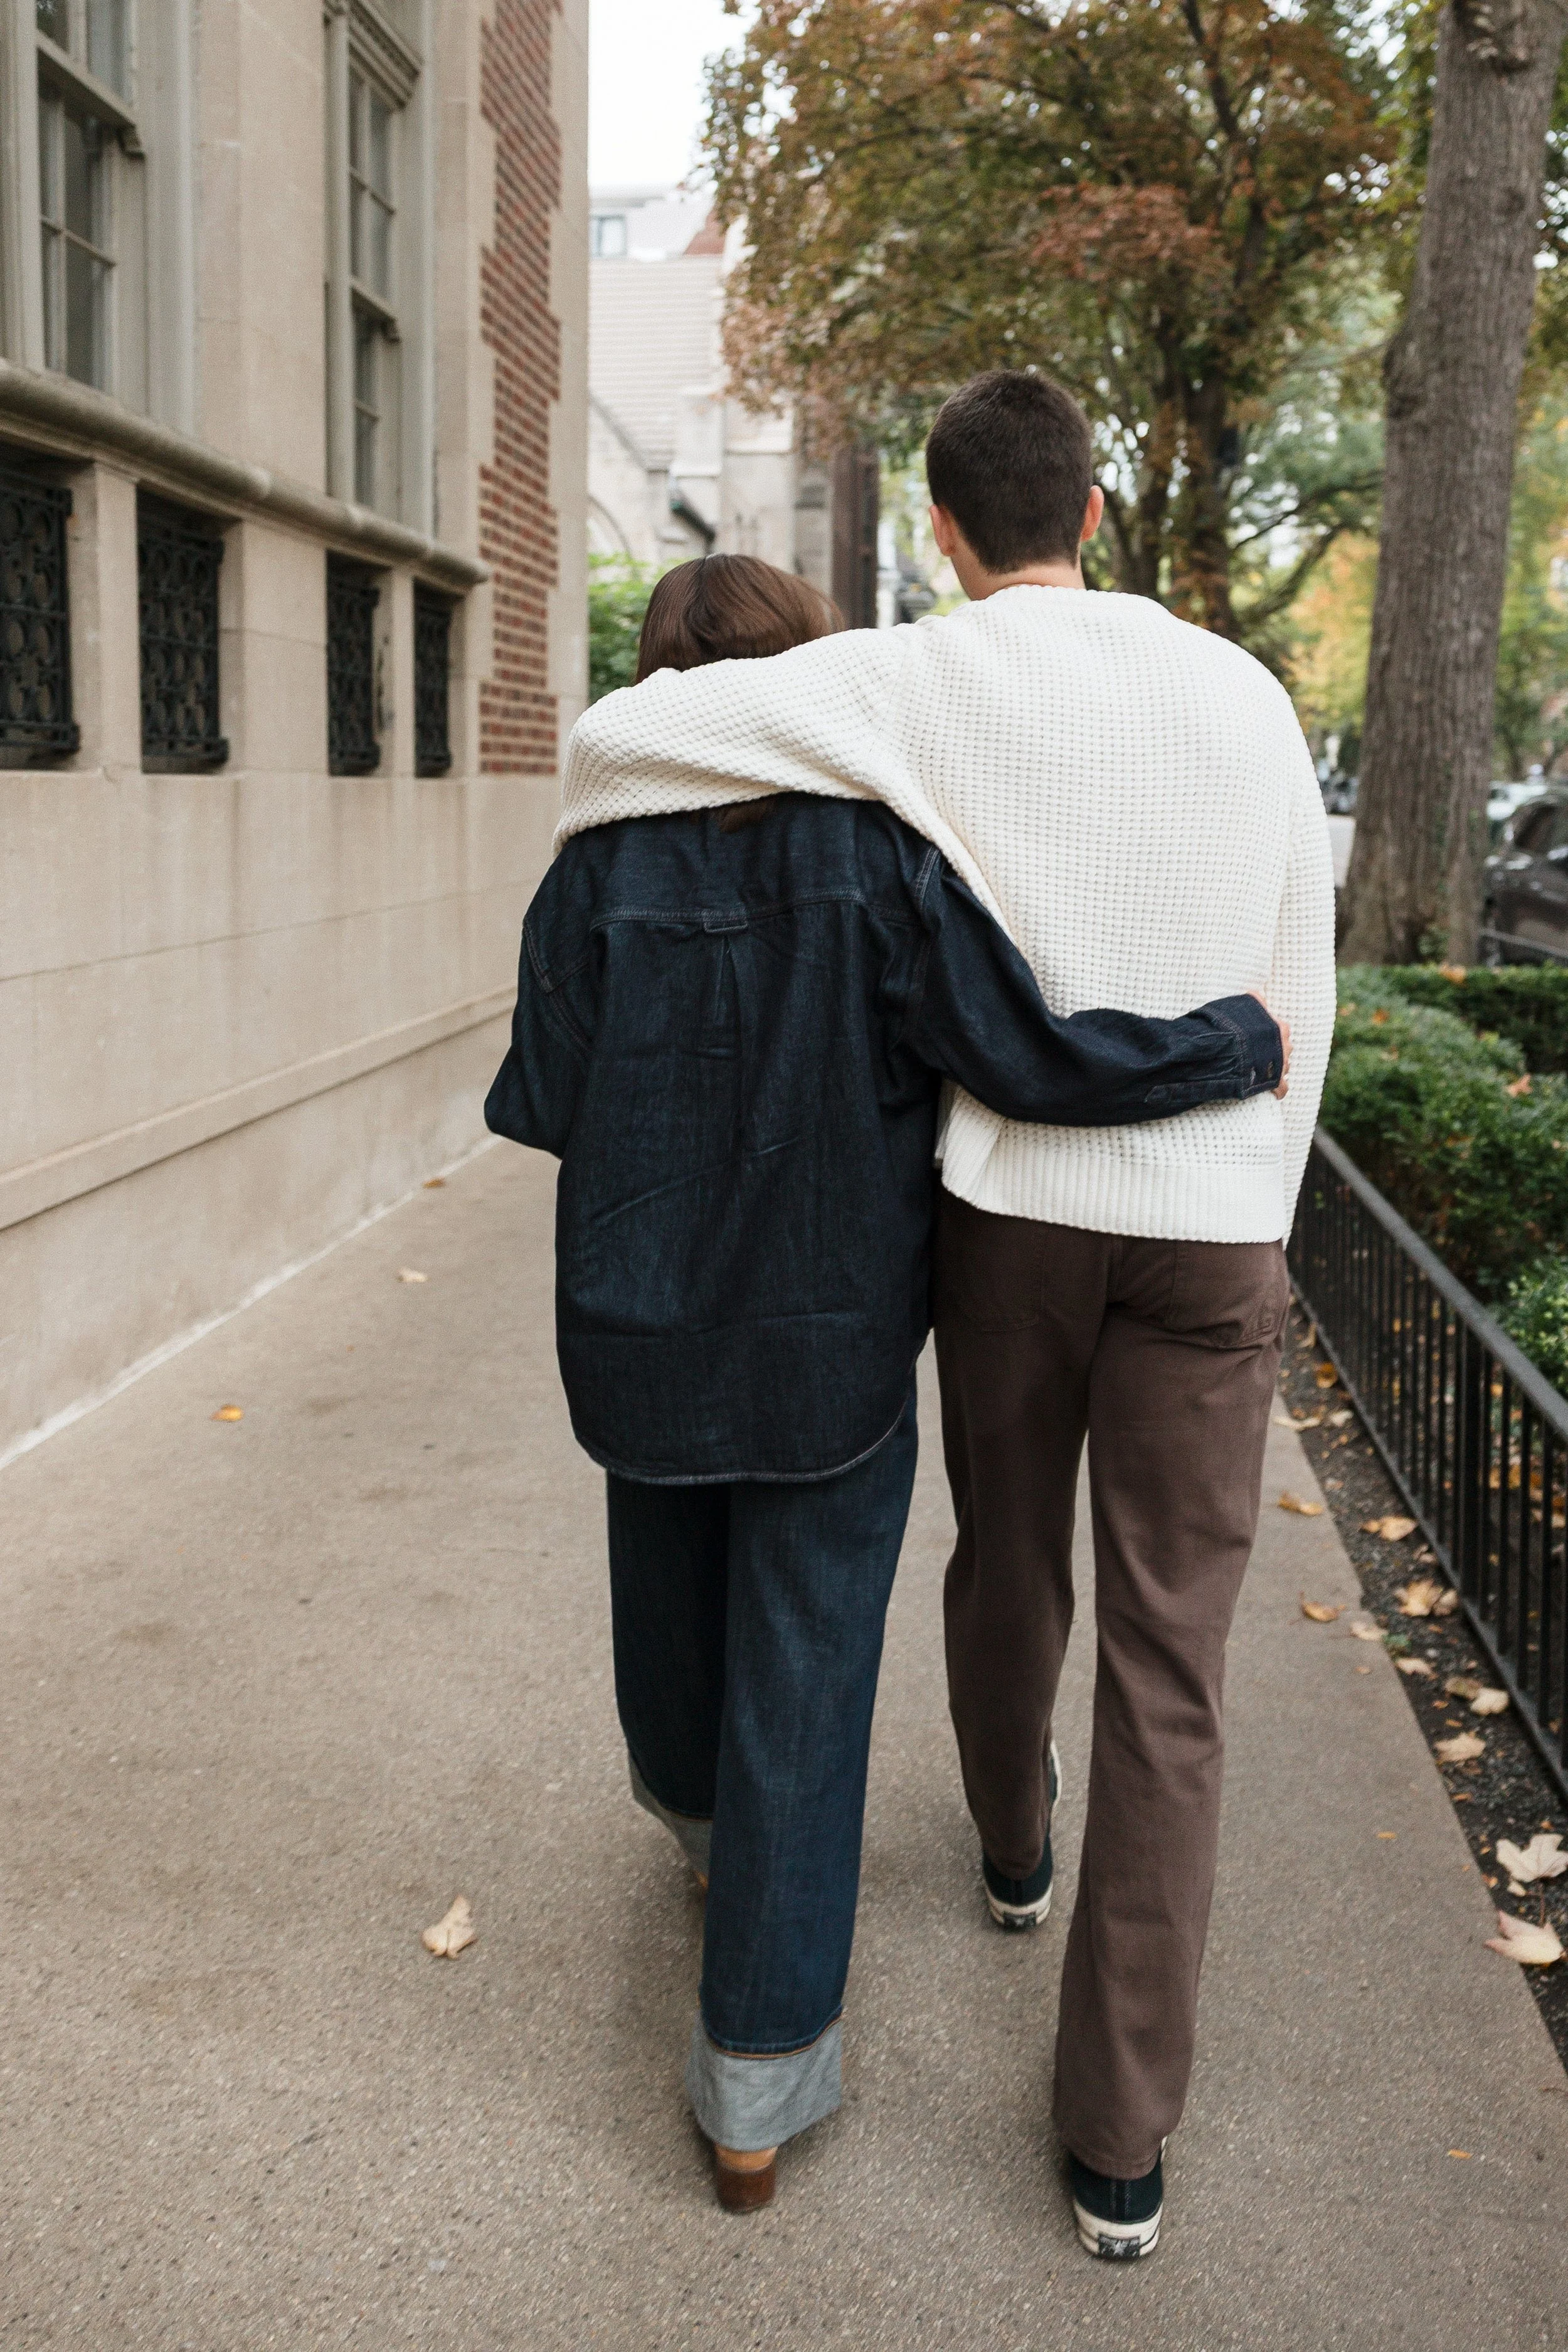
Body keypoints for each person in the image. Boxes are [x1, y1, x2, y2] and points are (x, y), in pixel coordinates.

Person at [556, 378, 1337, 2260]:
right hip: (1217, 1222)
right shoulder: (1243, 691)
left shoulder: (916, 682)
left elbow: (616, 729)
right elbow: (1296, 951)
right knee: (1175, 1670)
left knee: (1006, 1558)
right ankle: (1116, 2147)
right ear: (1093, 502)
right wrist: (1253, 1152)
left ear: (939, 525)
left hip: (1011, 1214)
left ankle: (1009, 1851)